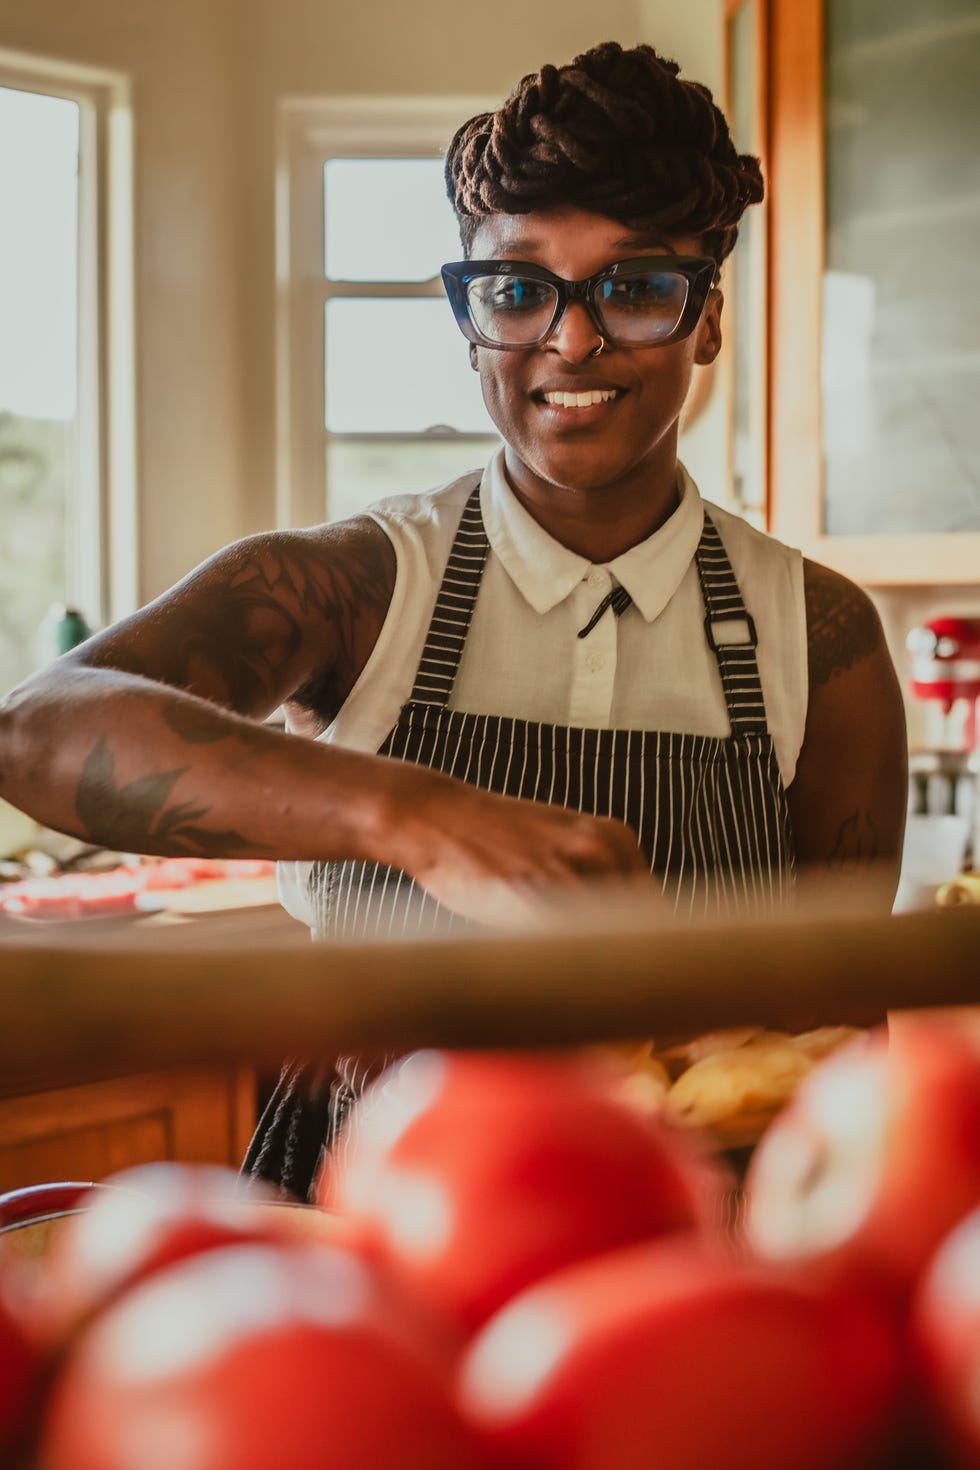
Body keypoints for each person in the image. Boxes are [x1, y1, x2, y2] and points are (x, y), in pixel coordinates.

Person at [0, 41, 907, 1198]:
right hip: (364, 1235)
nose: (570, 342)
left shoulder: (817, 641)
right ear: (470, 320)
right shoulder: (352, 588)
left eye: (632, 287)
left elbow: (831, 1055)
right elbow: (35, 730)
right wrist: (417, 818)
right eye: (517, 289)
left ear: (706, 321)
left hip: (681, 1245)